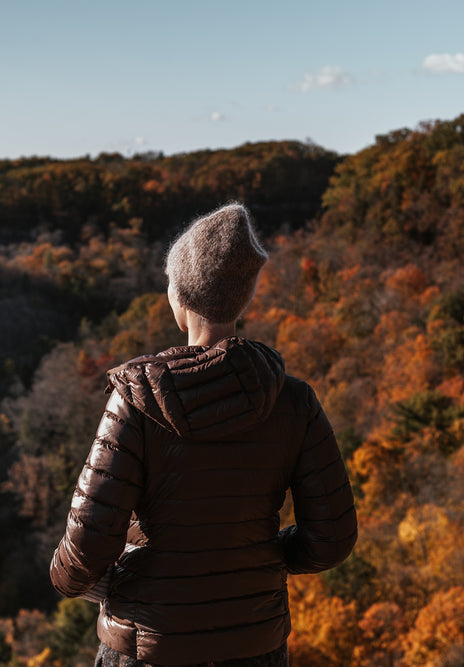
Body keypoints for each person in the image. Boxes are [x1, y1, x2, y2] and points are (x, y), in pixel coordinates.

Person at [50, 203, 357, 666]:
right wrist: (261, 557)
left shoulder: (137, 399)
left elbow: (86, 552)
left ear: (180, 296)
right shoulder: (293, 401)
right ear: (244, 297)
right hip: (255, 648)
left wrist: (65, 578)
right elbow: (332, 537)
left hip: (148, 649)